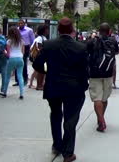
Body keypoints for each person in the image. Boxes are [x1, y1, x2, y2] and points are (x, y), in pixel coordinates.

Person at [32, 17, 89, 162]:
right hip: (74, 88)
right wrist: (84, 86)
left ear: (58, 30)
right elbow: (84, 71)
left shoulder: (49, 45)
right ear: (72, 30)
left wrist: (48, 72)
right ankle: (68, 153)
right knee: (71, 119)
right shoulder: (80, 47)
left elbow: (37, 64)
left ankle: (57, 145)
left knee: (56, 115)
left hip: (54, 85)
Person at [87, 23, 119, 132]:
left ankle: (101, 120)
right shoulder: (113, 41)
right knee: (104, 98)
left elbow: (86, 52)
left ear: (99, 31)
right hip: (108, 73)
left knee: (97, 98)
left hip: (95, 73)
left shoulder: (92, 41)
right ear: (109, 31)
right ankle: (100, 119)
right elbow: (117, 51)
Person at [0, 26, 25, 99]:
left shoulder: (9, 41)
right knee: (20, 76)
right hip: (20, 59)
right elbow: (23, 52)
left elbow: (8, 54)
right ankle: (21, 94)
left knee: (7, 76)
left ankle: (4, 92)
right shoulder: (22, 41)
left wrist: (4, 51)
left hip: (11, 59)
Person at [28, 25, 49, 90]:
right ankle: (39, 85)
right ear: (44, 30)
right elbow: (39, 48)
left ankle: (40, 85)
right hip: (40, 58)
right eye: (47, 29)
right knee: (40, 72)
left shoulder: (42, 38)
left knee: (42, 71)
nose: (48, 31)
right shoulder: (40, 38)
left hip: (41, 58)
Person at [16, 19, 35, 87]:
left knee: (23, 62)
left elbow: (32, 40)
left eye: (22, 23)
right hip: (18, 46)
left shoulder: (29, 30)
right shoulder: (17, 30)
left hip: (26, 47)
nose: (20, 25)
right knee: (17, 63)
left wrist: (31, 49)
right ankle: (18, 80)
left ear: (24, 23)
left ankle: (25, 79)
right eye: (19, 23)